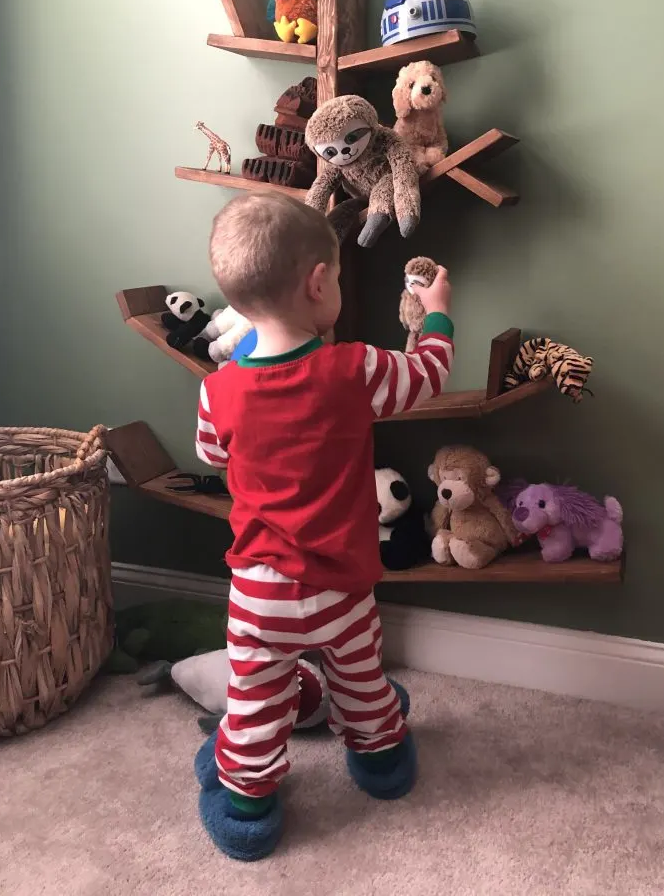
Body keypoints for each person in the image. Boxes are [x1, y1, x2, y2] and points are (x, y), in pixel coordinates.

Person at [194, 191, 453, 861]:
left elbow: (211, 452)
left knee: (252, 700)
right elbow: (428, 374)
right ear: (318, 283)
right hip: (343, 588)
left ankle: (250, 810)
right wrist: (438, 312)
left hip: (259, 593)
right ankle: (383, 762)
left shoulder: (217, 389)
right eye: (336, 275)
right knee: (362, 678)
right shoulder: (356, 369)